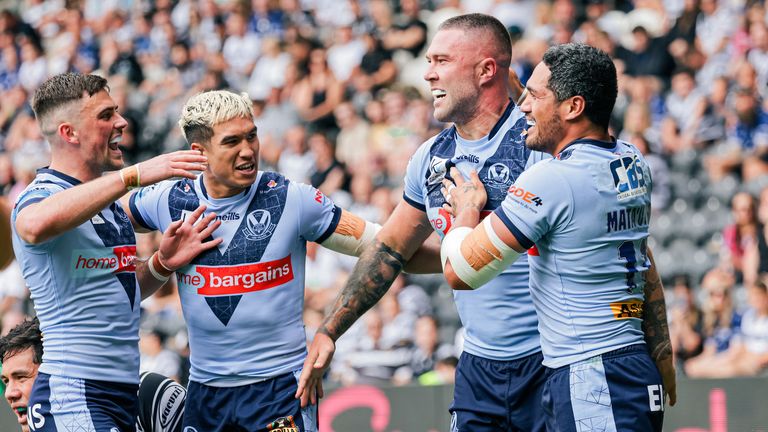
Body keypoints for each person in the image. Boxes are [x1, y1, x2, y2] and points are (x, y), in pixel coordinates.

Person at [124, 90, 438, 432]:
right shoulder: (169, 200)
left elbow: (389, 247)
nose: (248, 151)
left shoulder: (292, 199)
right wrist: (160, 258)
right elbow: (94, 224)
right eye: (231, 142)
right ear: (199, 152)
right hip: (205, 394)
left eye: (252, 135)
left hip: (279, 391)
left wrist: (463, 259)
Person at [298, 14, 549, 431]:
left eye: (442, 60)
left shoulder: (540, 144)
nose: (428, 73)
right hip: (478, 368)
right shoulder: (430, 157)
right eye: (428, 60)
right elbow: (393, 250)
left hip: (551, 362)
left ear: (488, 70)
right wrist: (329, 330)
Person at [439, 43, 676, 431]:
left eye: (534, 96)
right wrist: (662, 348)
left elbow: (462, 272)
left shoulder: (552, 180)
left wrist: (466, 209)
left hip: (591, 373)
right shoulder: (631, 160)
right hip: (627, 362)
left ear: (573, 107)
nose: (524, 107)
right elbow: (642, 255)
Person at [10, 72, 219, 431]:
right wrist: (133, 175)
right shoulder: (42, 193)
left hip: (119, 393)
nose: (121, 122)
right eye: (106, 116)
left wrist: (163, 262)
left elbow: (119, 289)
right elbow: (30, 225)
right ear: (69, 133)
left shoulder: (105, 202)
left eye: (117, 112)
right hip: (74, 393)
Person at [0, 318, 187, 432]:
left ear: (56, 370)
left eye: (21, 377)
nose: (9, 393)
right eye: (6, 381)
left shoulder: (150, 394)